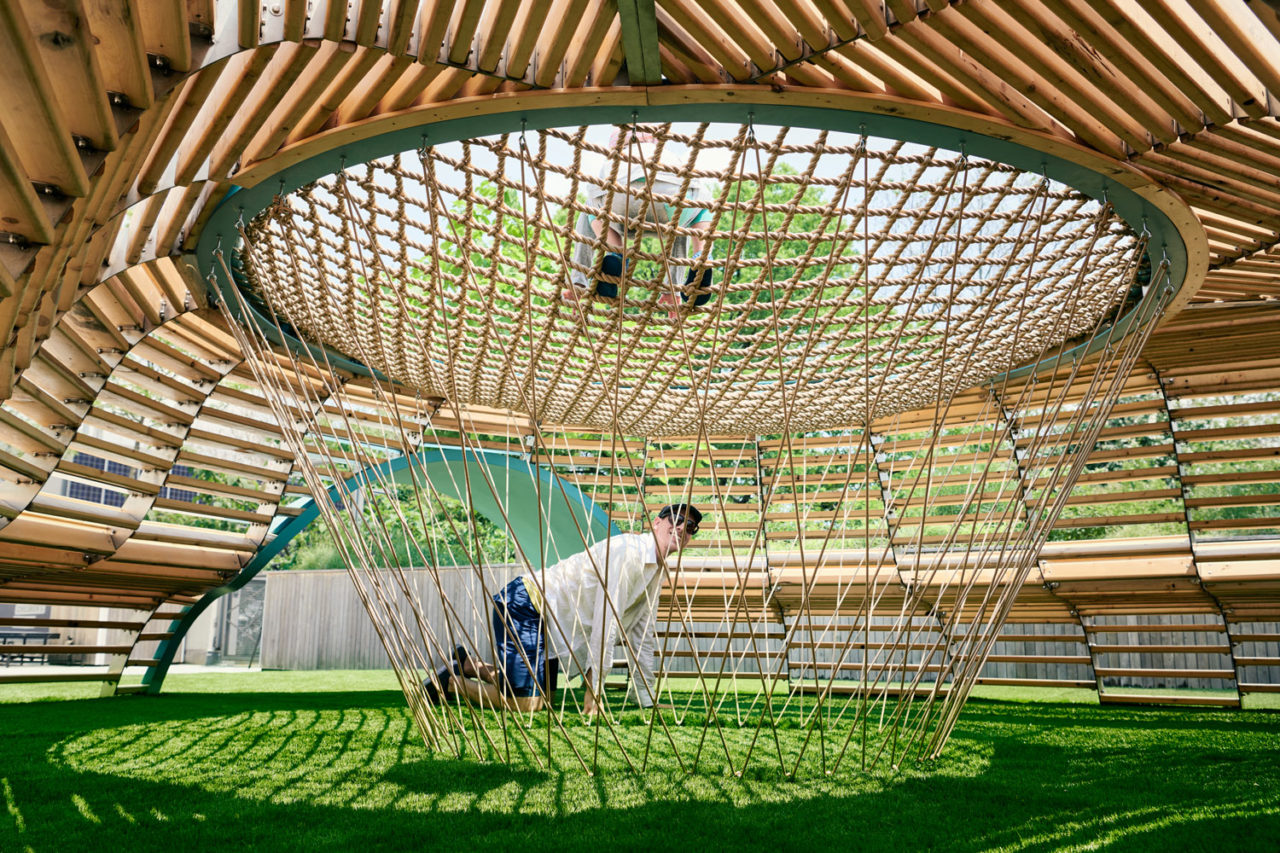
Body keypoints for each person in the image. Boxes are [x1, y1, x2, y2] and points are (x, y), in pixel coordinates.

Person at [425, 504, 702, 714]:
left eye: (691, 527)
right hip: (526, 604)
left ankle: (465, 663)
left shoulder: (657, 570)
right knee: (527, 703)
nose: (682, 528)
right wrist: (594, 693)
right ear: (656, 523)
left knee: (545, 697)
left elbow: (642, 632)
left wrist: (645, 697)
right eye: (677, 519)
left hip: (549, 620)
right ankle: (449, 682)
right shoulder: (629, 553)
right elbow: (608, 621)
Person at [564, 129, 715, 313]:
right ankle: (700, 256)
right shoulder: (668, 156)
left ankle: (613, 256)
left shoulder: (617, 157)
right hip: (671, 205)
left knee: (589, 205)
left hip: (622, 203)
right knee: (689, 213)